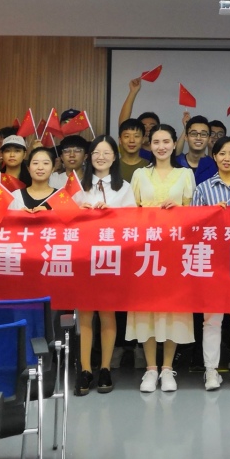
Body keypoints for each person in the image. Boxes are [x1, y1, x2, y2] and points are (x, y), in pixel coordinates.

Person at [129, 124, 196, 393]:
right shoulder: (139, 174)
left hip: (175, 251)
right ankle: (150, 369)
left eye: (166, 141)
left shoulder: (185, 174)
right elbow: (129, 213)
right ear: (150, 144)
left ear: (174, 143)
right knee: (146, 308)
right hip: (146, 252)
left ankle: (167, 368)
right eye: (156, 141)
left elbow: (194, 214)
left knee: (173, 308)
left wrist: (179, 210)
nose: (161, 146)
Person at [73, 135, 136, 396]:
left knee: (108, 314)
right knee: (85, 315)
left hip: (111, 258)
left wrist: (111, 212)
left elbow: (134, 223)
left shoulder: (125, 188)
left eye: (107, 152)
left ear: (114, 157)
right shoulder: (77, 186)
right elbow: (63, 221)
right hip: (83, 258)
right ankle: (86, 369)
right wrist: (80, 211)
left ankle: (106, 368)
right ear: (89, 157)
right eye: (96, 153)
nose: (101, 157)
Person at [191, 136, 230, 390]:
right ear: (214, 157)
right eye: (222, 153)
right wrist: (210, 214)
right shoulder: (203, 189)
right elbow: (193, 227)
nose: (227, 158)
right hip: (212, 260)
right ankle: (211, 371)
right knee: (212, 319)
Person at [175, 115, 217, 184]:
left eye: (203, 134)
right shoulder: (175, 163)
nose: (198, 138)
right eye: (193, 134)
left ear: (209, 139)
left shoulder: (214, 167)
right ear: (186, 137)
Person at [15, 147, 57, 212]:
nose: (40, 168)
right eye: (35, 163)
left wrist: (50, 213)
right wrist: (18, 215)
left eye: (46, 163)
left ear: (53, 169)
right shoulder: (16, 196)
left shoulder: (61, 197)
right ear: (28, 168)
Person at [117, 118, 150, 183]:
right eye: (127, 136)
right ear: (120, 140)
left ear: (143, 139)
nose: (132, 140)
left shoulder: (149, 167)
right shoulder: (112, 166)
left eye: (136, 136)